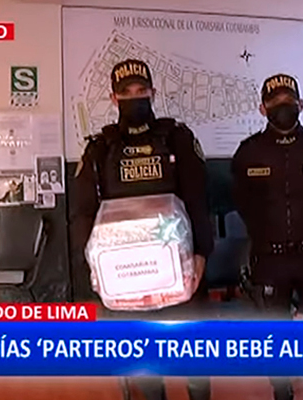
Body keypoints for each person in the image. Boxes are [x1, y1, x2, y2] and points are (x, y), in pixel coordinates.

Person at [69, 59, 214, 400]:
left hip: (181, 274)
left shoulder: (176, 139)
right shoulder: (100, 149)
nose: (134, 97)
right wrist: (94, 270)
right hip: (125, 281)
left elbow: (198, 201)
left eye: (141, 90)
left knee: (195, 363)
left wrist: (202, 254)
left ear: (153, 92)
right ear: (113, 98)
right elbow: (82, 215)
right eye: (126, 92)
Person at [231, 73, 303, 400]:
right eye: (275, 101)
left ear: (301, 104)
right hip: (269, 258)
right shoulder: (249, 152)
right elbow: (242, 203)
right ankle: (282, 390)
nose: (283, 105)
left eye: (288, 100)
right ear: (262, 108)